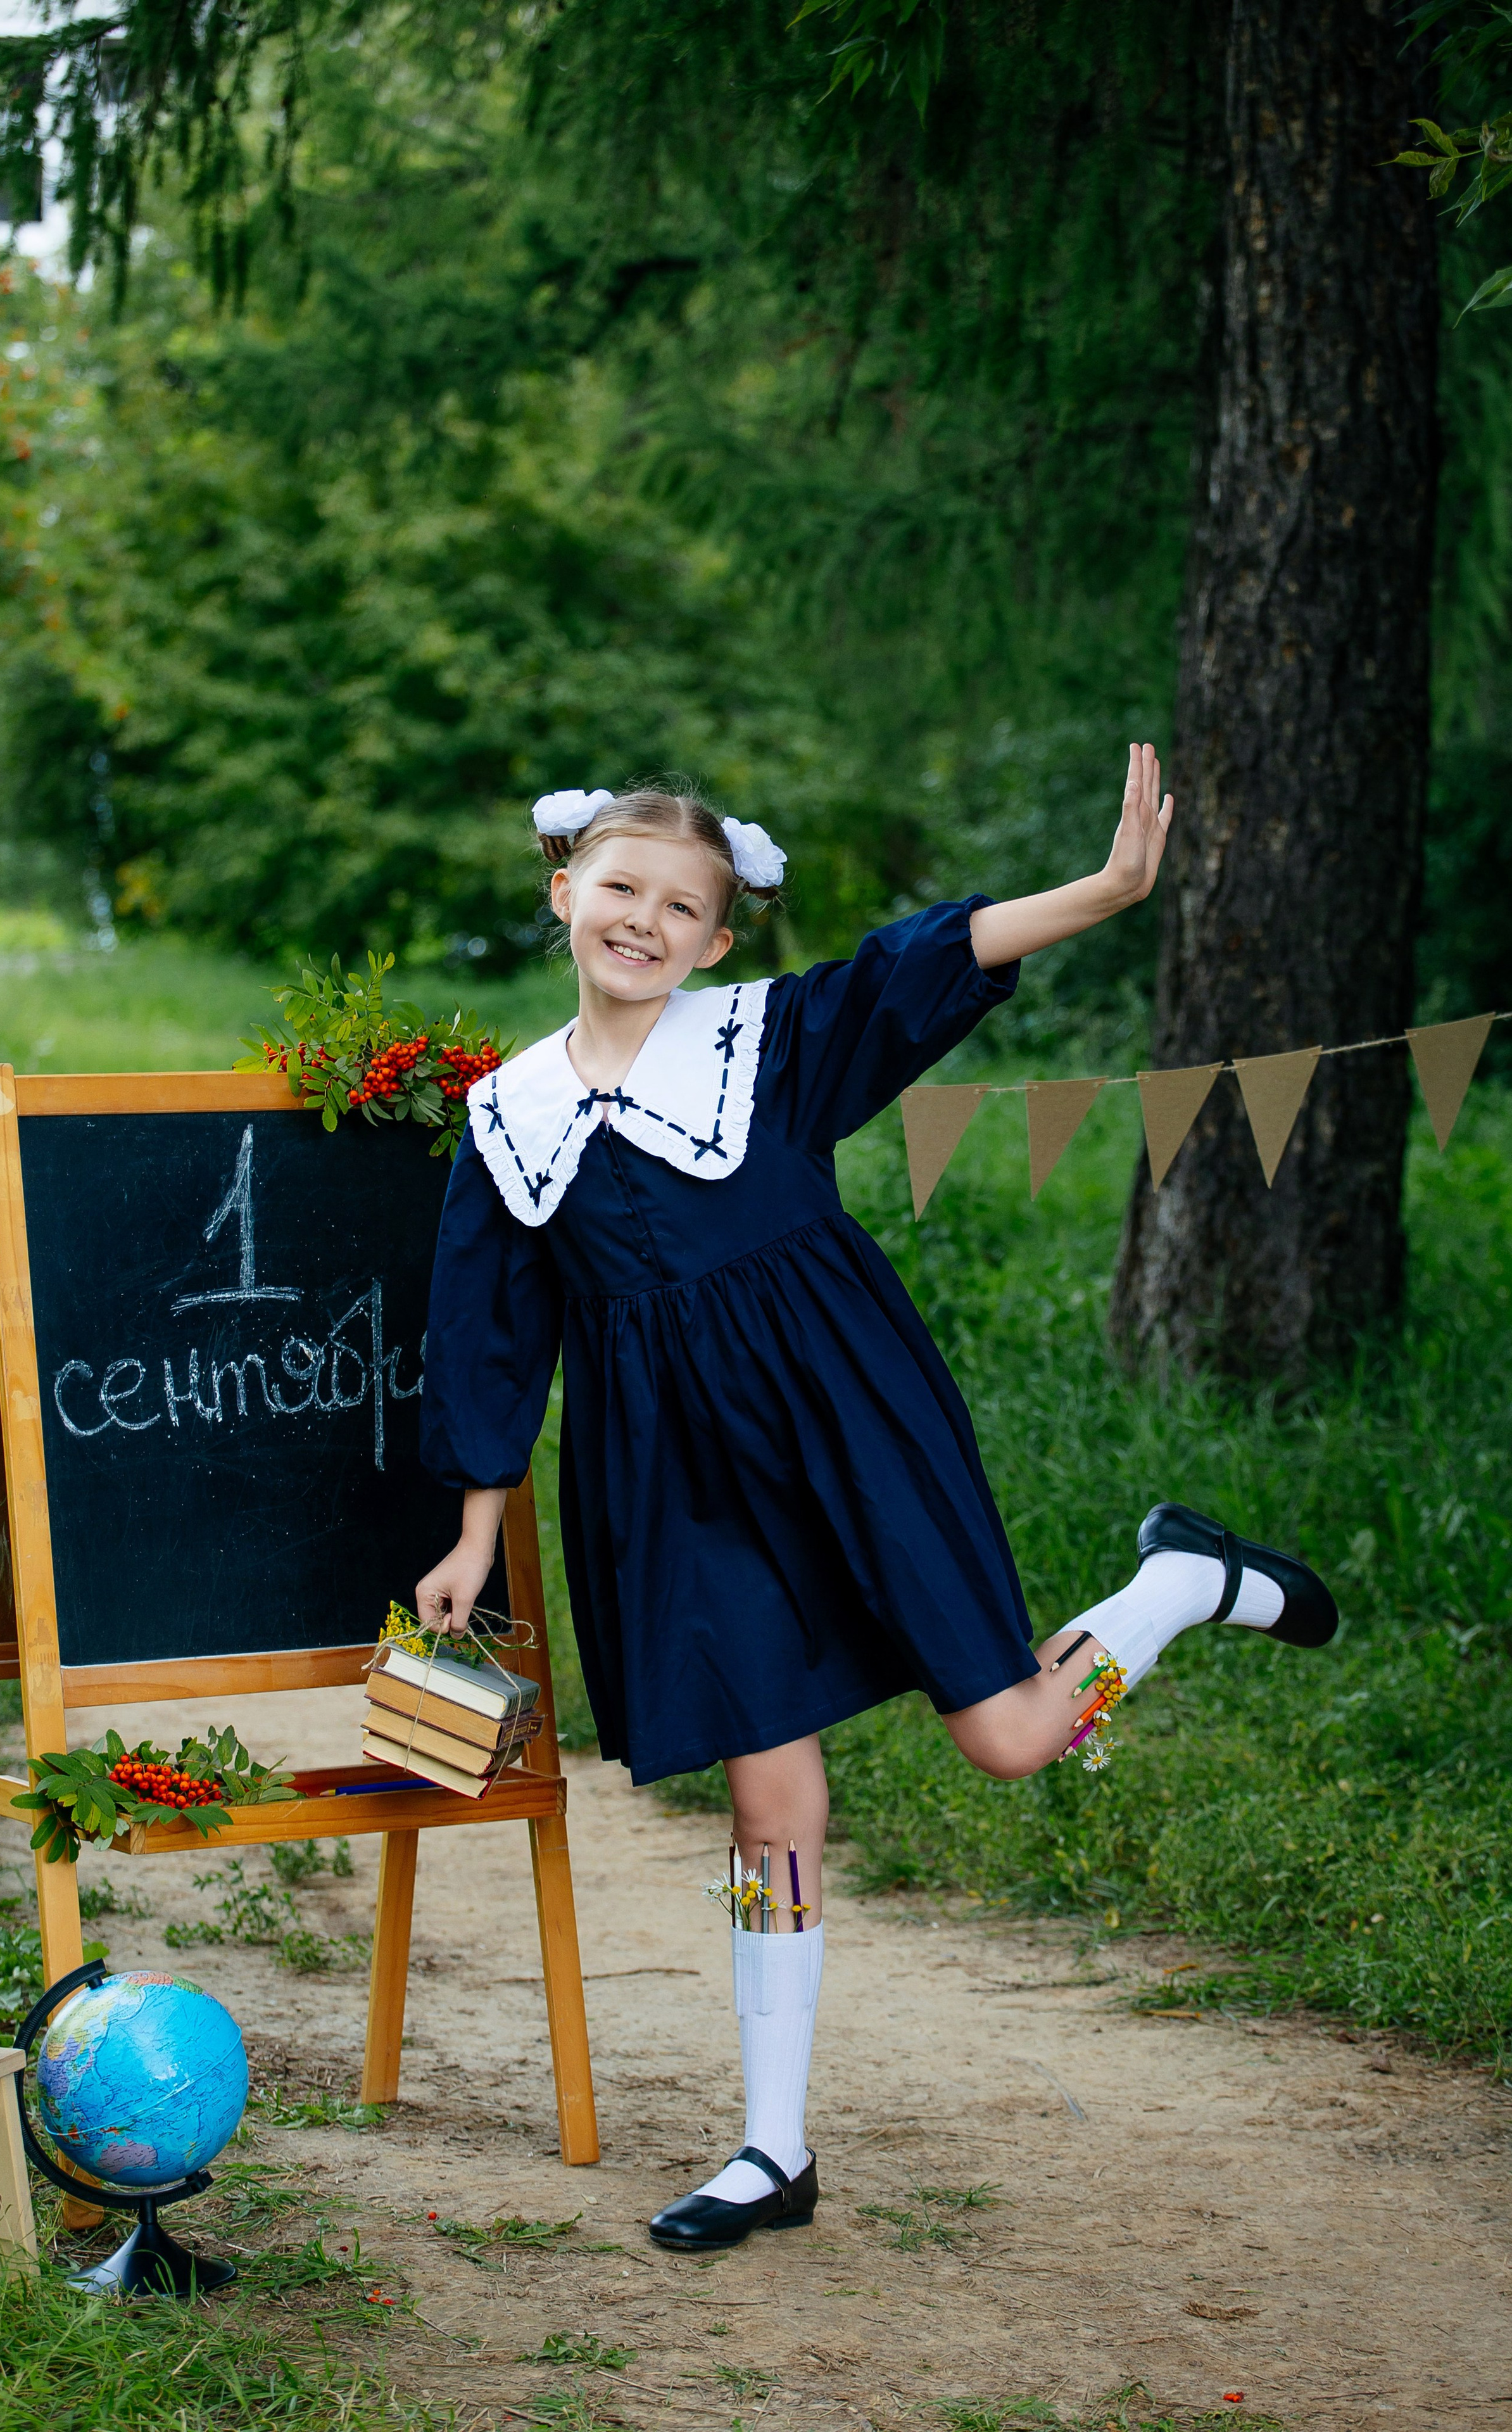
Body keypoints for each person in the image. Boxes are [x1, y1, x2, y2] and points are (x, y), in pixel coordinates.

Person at [415, 754, 1337, 2252]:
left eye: (680, 905)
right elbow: (488, 1334)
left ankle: (1175, 1585)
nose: (641, 919)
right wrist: (471, 1533)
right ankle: (771, 2148)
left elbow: (919, 964)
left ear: (718, 938)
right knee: (765, 1795)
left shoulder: (762, 1044)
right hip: (675, 1488)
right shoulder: (506, 1118)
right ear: (563, 892)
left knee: (1012, 1738)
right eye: (618, 888)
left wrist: (1103, 893)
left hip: (846, 1426)